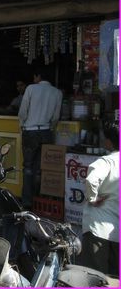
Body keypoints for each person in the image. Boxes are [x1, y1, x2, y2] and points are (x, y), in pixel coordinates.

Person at [18, 68, 62, 209]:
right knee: (42, 168)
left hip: (30, 132)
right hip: (46, 132)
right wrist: (50, 127)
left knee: (28, 168)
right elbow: (55, 117)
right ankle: (39, 198)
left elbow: (23, 111)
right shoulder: (57, 92)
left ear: (38, 76)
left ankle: (27, 202)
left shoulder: (31, 88)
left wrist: (22, 125)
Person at [80, 117, 119, 277]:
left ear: (109, 142)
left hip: (98, 229)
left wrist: (92, 198)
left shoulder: (107, 161)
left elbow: (91, 179)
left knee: (95, 276)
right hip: (116, 230)